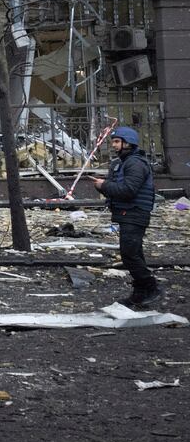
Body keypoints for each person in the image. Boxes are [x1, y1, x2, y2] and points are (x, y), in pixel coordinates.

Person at [91, 127, 162, 308]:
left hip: (135, 212)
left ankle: (150, 287)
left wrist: (104, 186)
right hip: (127, 213)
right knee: (133, 252)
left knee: (129, 253)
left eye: (117, 141)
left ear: (128, 143)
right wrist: (105, 184)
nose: (113, 145)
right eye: (113, 141)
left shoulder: (135, 163)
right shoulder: (122, 163)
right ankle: (140, 293)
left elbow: (128, 191)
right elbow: (120, 186)